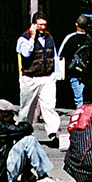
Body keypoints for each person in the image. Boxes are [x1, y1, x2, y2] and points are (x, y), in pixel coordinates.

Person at [0, 99, 70, 182]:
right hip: (1, 176)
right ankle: (43, 177)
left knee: (20, 140)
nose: (13, 119)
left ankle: (27, 175)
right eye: (12, 116)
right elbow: (27, 127)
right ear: (5, 115)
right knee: (29, 140)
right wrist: (16, 123)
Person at [16, 13, 63, 144]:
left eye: (44, 25)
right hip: (30, 78)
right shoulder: (24, 38)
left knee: (49, 105)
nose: (42, 27)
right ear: (34, 25)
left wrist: (56, 74)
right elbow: (26, 53)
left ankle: (52, 133)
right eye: (40, 25)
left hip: (47, 77)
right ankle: (23, 131)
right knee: (27, 107)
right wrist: (32, 37)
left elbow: (54, 55)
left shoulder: (49, 37)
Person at [59, 15, 92, 109]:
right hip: (88, 75)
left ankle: (80, 115)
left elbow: (60, 58)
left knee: (79, 100)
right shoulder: (91, 40)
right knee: (88, 101)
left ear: (76, 24)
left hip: (74, 74)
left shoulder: (70, 39)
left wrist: (60, 77)